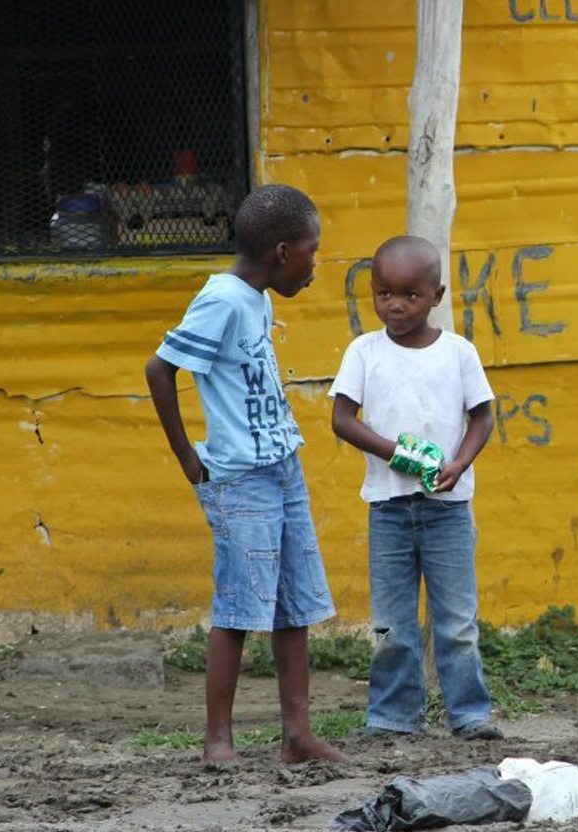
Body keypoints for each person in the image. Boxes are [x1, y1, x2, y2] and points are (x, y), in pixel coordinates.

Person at [144, 184, 345, 765]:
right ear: (282, 252)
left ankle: (297, 735)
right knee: (239, 606)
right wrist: (189, 458)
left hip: (283, 468)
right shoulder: (223, 300)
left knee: (295, 605)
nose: (315, 264)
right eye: (311, 252)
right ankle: (217, 741)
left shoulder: (257, 298)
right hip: (240, 480)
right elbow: (160, 370)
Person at [329, 235, 502, 740]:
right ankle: (392, 717)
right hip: (387, 507)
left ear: (438, 295)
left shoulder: (458, 353)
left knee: (456, 622)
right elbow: (342, 419)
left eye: (410, 295)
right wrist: (395, 453)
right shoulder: (364, 352)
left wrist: (460, 462)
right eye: (384, 294)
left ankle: (469, 715)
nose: (396, 306)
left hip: (448, 507)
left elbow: (482, 417)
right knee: (390, 625)